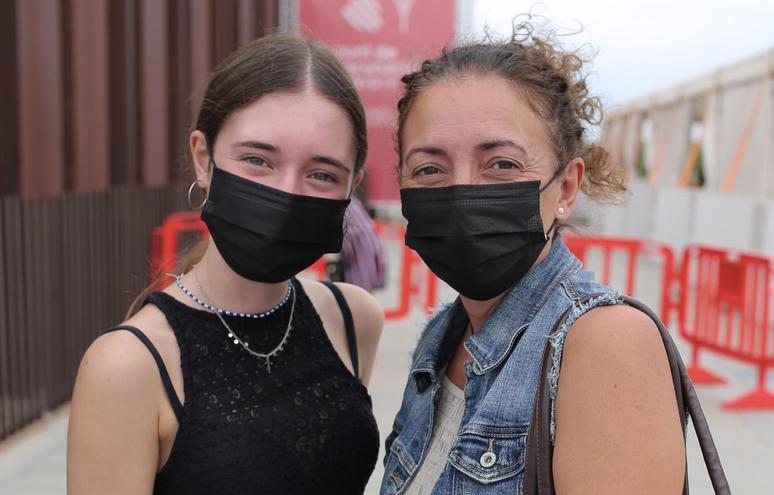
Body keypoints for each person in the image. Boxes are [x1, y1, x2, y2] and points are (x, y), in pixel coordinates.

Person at [67, 33, 384, 495]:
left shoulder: (354, 319)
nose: (287, 192)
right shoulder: (128, 364)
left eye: (321, 174)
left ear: (352, 184)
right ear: (204, 158)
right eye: (258, 160)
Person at [381, 22, 686, 494]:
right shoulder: (443, 336)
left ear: (565, 188)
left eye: (501, 164)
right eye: (429, 169)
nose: (463, 192)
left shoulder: (606, 343)